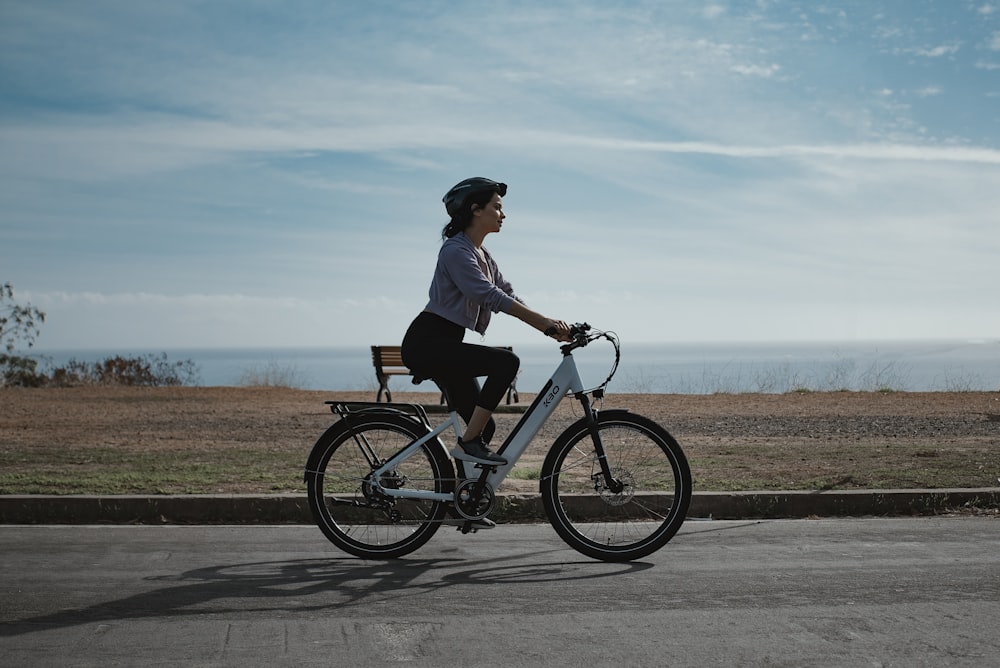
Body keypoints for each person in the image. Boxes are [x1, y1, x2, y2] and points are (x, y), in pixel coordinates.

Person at [401, 177, 571, 468]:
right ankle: (467, 444)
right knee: (506, 363)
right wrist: (543, 324)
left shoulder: (483, 255)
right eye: (497, 207)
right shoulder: (455, 250)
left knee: (483, 429)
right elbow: (486, 294)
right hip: (427, 343)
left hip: (445, 342)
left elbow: (506, 292)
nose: (503, 215)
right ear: (476, 209)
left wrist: (551, 325)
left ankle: (462, 497)